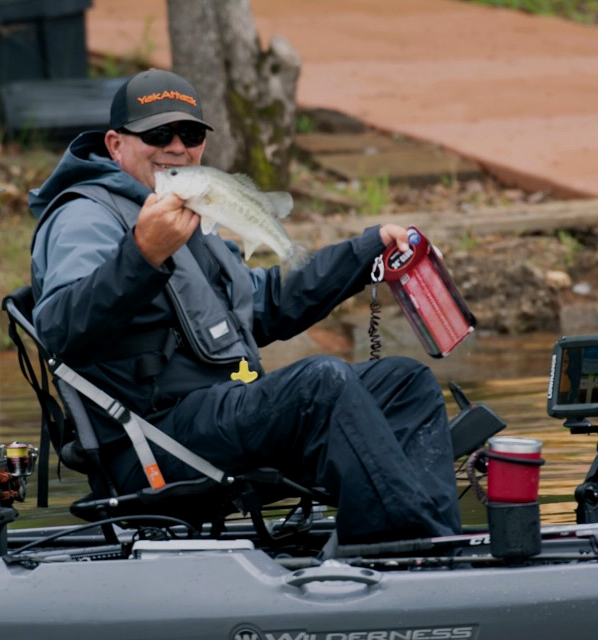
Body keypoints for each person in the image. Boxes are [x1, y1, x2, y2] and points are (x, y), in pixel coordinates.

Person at [28, 69, 461, 544]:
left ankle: (433, 545)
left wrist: (364, 254)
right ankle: (400, 544)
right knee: (320, 383)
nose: (177, 146)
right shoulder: (83, 216)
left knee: (405, 383)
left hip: (226, 414)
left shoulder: (186, 211)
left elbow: (264, 306)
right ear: (115, 144)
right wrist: (142, 255)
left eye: (190, 134)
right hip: (154, 441)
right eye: (157, 134)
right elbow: (61, 332)